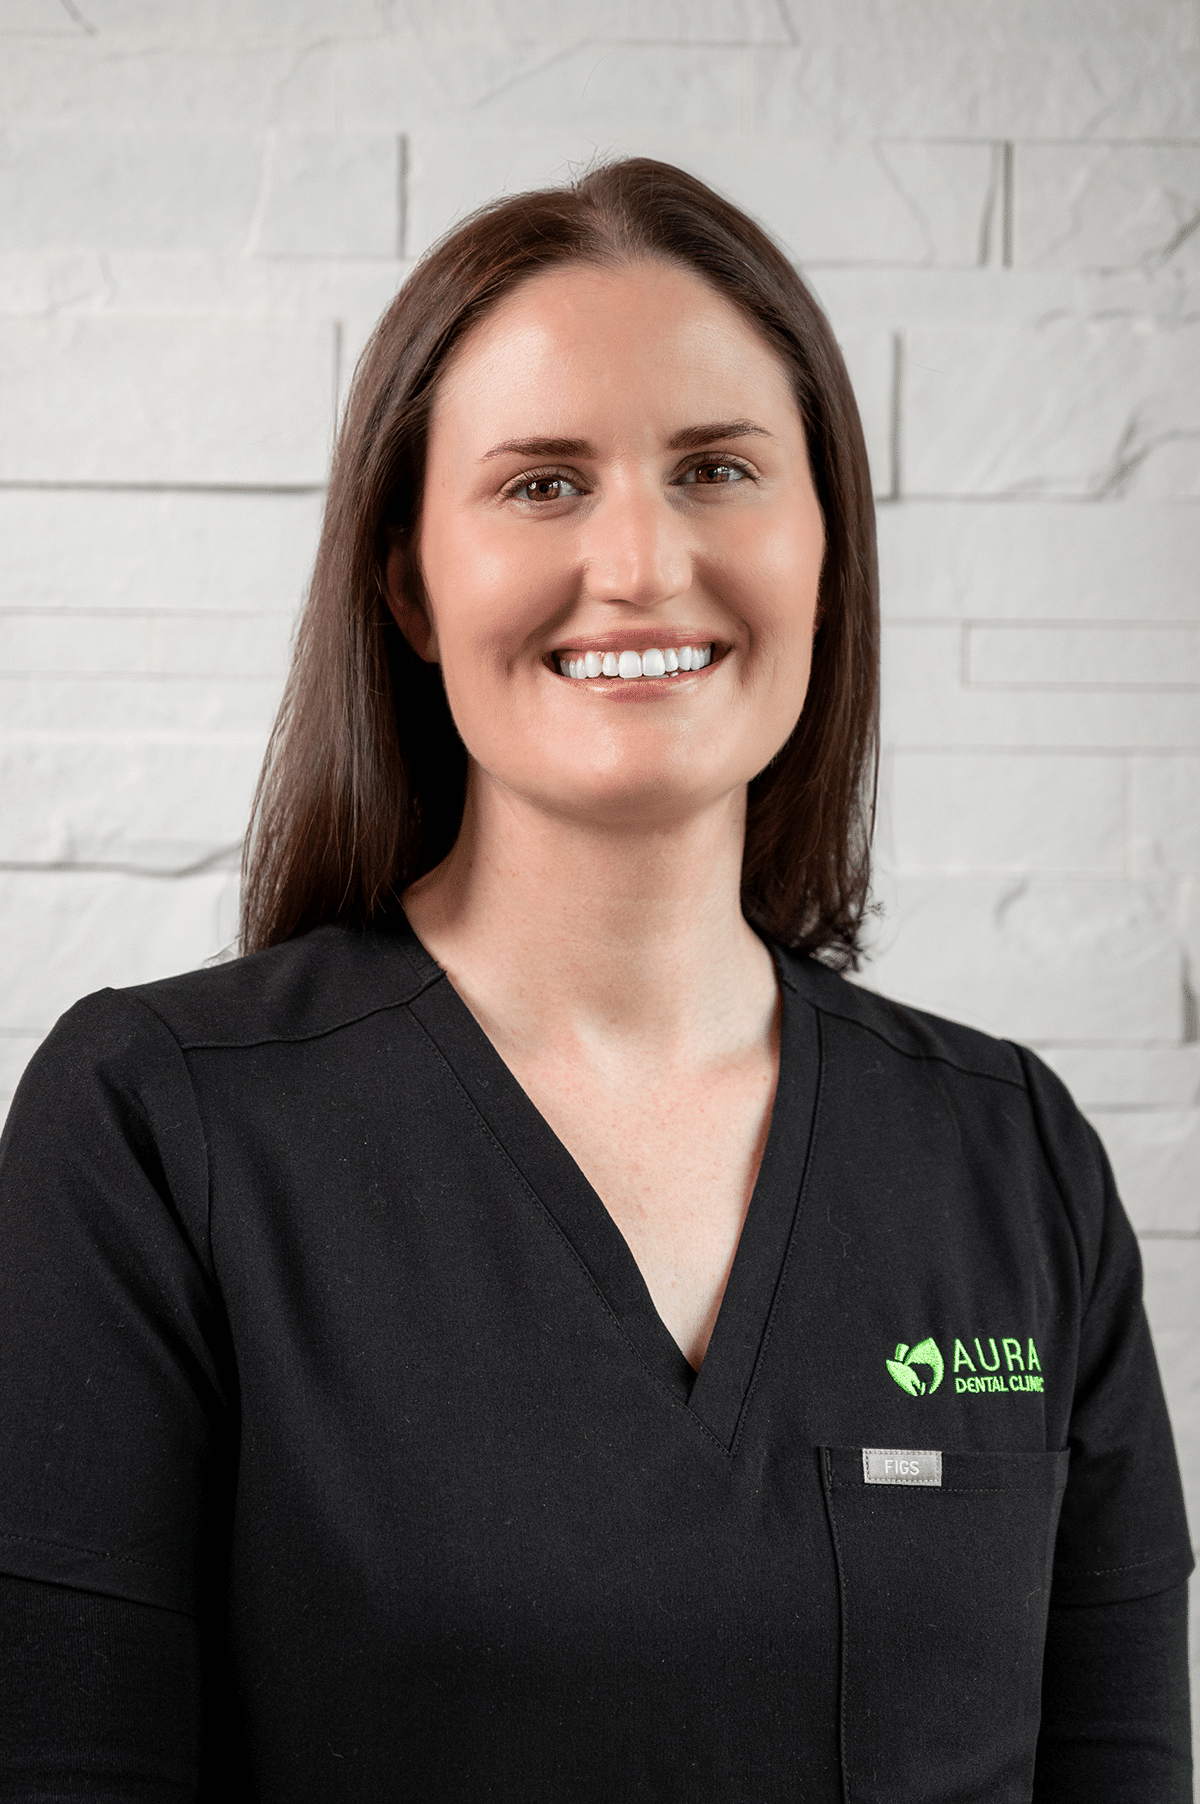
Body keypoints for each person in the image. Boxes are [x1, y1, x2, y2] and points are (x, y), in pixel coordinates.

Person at [0, 159, 1191, 1803]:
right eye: (544, 485)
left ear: (825, 544)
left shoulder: (1019, 1160)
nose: (640, 563)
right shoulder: (155, 1133)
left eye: (716, 468)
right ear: (409, 582)